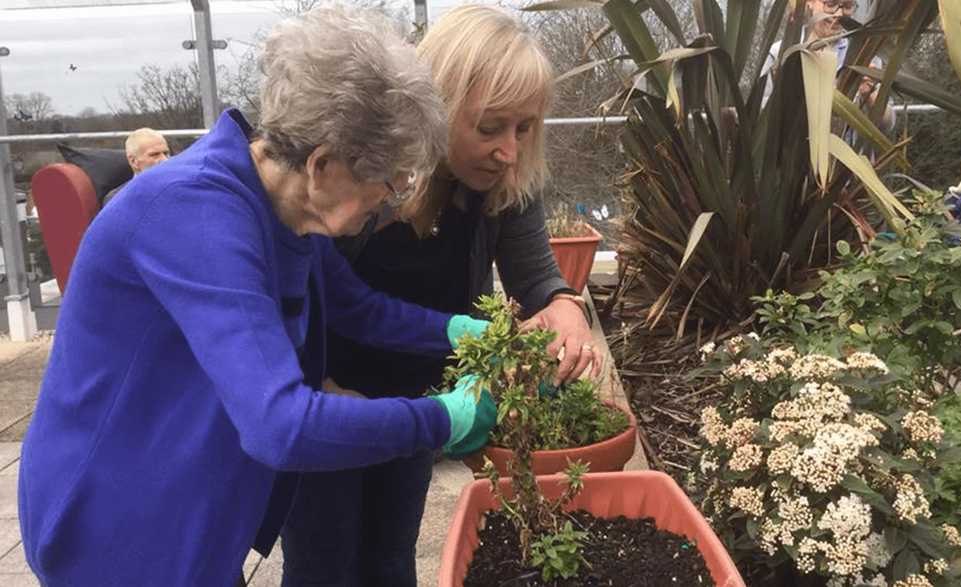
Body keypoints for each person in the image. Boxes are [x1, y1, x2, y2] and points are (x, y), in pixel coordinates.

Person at [17, 6, 498, 586]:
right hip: (116, 526)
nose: (393, 200)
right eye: (390, 181)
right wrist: (439, 420)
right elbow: (281, 425)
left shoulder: (281, 205)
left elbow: (354, 308)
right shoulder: (193, 214)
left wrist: (461, 332)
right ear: (323, 165)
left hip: (189, 501)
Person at [277, 6, 603, 586]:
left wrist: (565, 306)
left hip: (420, 403)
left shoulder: (506, 178)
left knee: (390, 558)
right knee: (323, 565)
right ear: (439, 106)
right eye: (490, 126)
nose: (509, 148)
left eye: (524, 128)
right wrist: (315, 383)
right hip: (329, 400)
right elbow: (309, 293)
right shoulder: (369, 179)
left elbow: (537, 278)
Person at [761, 0, 895, 132]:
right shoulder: (781, 53)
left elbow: (887, 124)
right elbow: (761, 116)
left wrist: (871, 95)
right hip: (792, 152)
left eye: (847, 6)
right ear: (810, 3)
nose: (839, 13)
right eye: (830, 5)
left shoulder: (863, 54)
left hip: (845, 153)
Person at [103, 127, 171, 205]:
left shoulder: (182, 188)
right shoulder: (116, 200)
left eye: (166, 153)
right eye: (154, 155)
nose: (165, 160)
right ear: (134, 161)